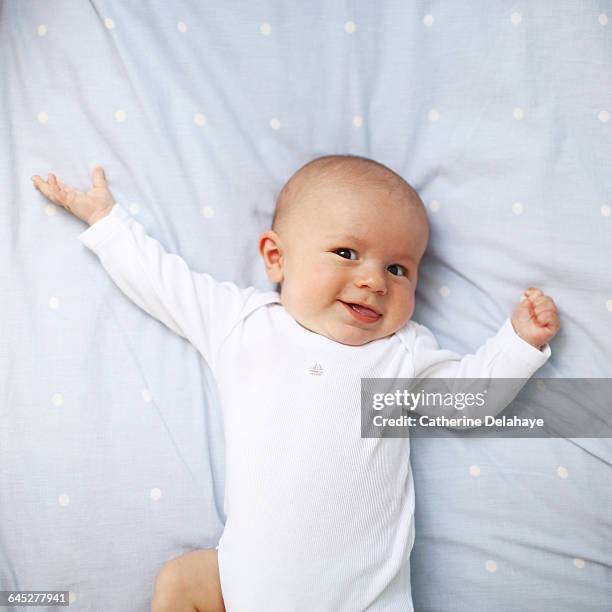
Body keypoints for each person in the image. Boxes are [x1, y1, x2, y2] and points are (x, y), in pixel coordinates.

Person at [31, 155, 559, 612]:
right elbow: (162, 283)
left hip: (364, 598)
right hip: (246, 588)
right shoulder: (245, 324)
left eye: (399, 268)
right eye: (347, 254)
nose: (374, 280)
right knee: (180, 581)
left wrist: (518, 344)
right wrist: (106, 221)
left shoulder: (398, 356)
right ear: (277, 257)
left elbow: (467, 403)